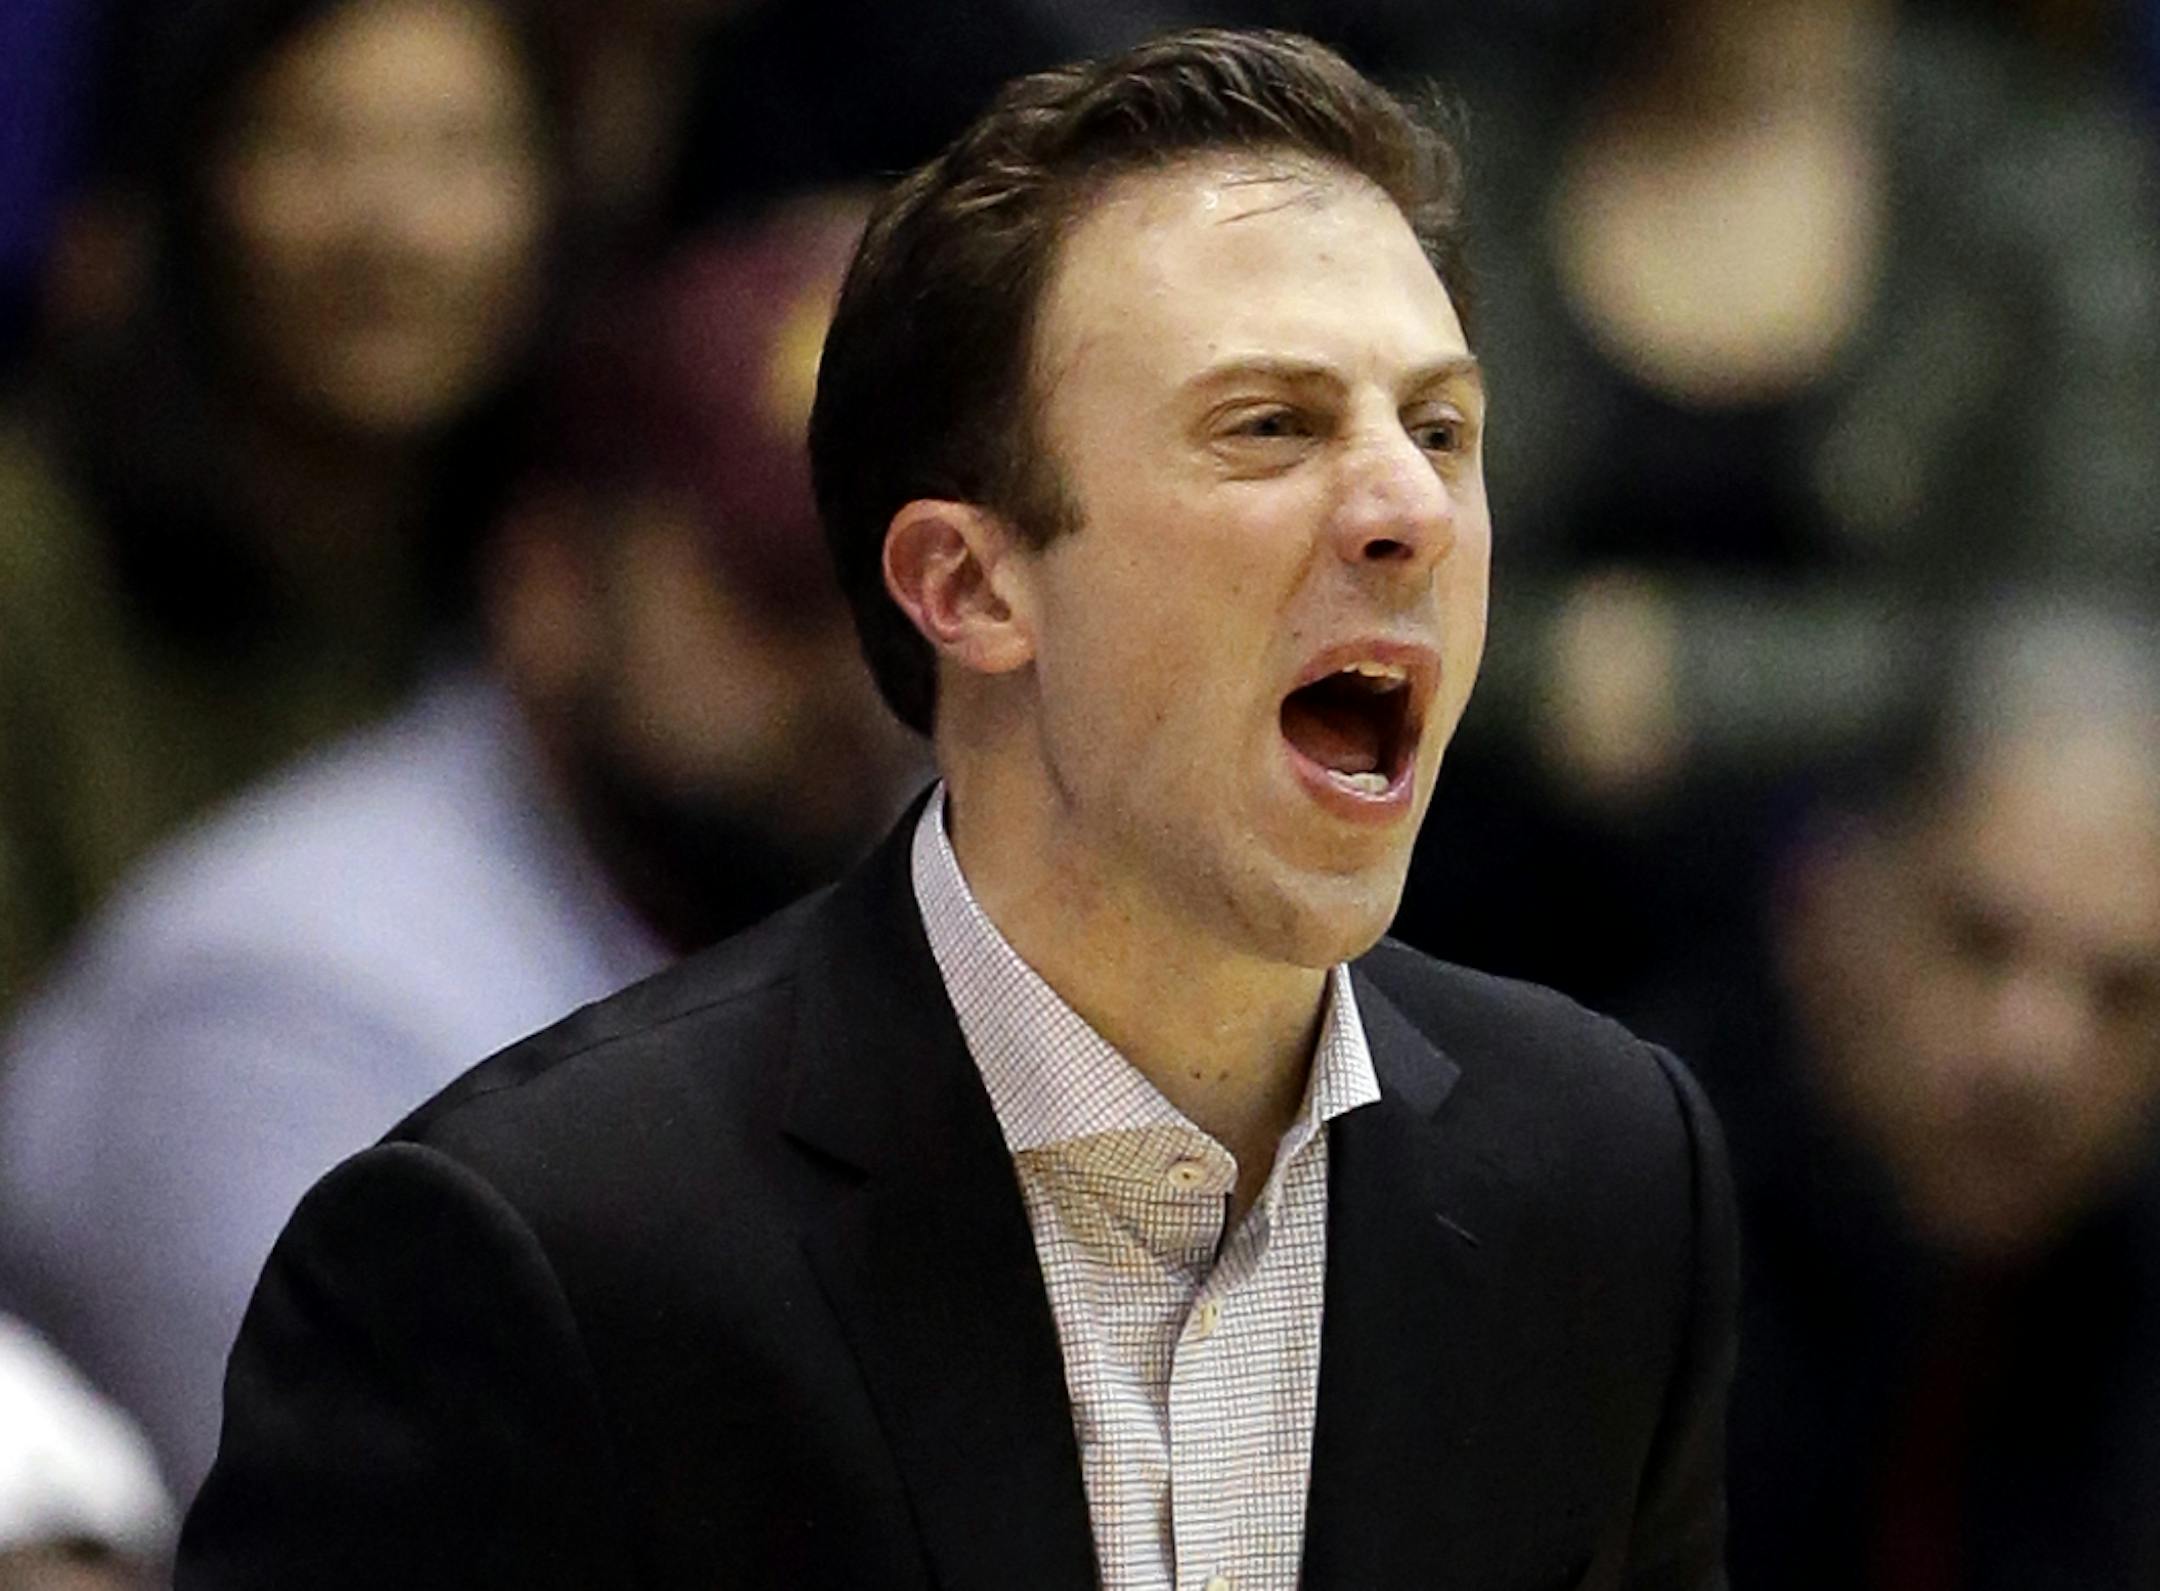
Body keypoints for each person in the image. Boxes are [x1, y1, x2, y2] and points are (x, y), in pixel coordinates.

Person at [176, 30, 1738, 1588]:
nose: (1409, 506)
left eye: (1443, 428)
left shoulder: (1608, 1173)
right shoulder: (535, 1261)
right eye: (1270, 424)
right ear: (970, 583)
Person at [0, 199, 921, 1504]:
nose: (854, 682)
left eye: (893, 608)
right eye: (773, 597)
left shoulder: (866, 909)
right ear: (548, 586)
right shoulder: (279, 1000)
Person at [0, 0, 572, 1011]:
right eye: (315, 144)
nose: (395, 233)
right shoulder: (34, 562)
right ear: (194, 190)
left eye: (458, 152)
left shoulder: (563, 575)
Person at [1663, 598, 2160, 1590]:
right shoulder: (1608, 1206)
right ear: (1828, 899)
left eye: (2124, 993)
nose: (2039, 1055)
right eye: (1979, 942)